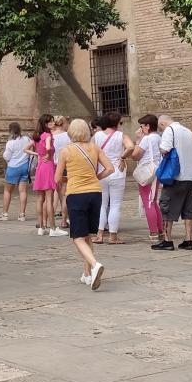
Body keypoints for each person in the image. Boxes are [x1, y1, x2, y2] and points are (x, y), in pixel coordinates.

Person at [54, 118, 112, 289]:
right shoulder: (95, 148)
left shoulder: (66, 151)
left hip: (76, 193)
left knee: (77, 237)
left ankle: (94, 265)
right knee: (87, 235)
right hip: (95, 193)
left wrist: (69, 177)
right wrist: (95, 178)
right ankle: (87, 274)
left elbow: (57, 178)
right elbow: (110, 168)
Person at [153, 114, 192, 251]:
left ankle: (167, 240)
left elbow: (165, 149)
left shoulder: (169, 130)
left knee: (166, 206)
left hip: (177, 176)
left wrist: (161, 150)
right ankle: (188, 240)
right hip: (191, 177)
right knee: (188, 208)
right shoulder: (188, 131)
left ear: (162, 124)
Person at [92, 111, 135, 245]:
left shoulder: (97, 135)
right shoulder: (121, 135)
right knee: (115, 205)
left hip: (101, 172)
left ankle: (99, 235)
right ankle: (113, 236)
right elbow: (131, 147)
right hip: (117, 171)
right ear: (117, 123)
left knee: (102, 205)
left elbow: (91, 151)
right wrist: (122, 157)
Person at [131, 114, 165, 245]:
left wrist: (138, 140)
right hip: (156, 170)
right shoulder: (158, 137)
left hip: (147, 172)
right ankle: (160, 230)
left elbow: (135, 155)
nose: (140, 129)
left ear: (148, 126)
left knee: (148, 202)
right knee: (153, 201)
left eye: (142, 126)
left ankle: (153, 232)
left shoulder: (147, 139)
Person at [31, 115, 60, 236]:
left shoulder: (37, 137)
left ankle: (41, 227)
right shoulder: (48, 136)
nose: (53, 123)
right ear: (46, 124)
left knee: (40, 198)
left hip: (40, 167)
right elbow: (48, 146)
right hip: (48, 166)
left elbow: (25, 149)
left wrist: (38, 154)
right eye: (51, 121)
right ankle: (52, 227)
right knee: (49, 198)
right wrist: (47, 152)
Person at [0, 123, 33, 222]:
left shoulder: (10, 143)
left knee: (7, 190)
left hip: (13, 167)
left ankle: (5, 213)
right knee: (22, 191)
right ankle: (22, 214)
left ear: (10, 131)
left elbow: (6, 156)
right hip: (24, 167)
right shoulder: (26, 139)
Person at [51, 116, 71, 228]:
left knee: (53, 193)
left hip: (52, 166)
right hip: (65, 165)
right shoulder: (68, 136)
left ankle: (50, 219)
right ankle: (64, 220)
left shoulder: (50, 136)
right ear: (63, 123)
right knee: (64, 194)